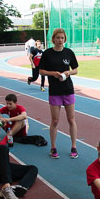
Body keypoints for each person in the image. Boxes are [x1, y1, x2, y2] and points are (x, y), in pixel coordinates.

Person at [39, 28, 79, 159]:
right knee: (55, 121)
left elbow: (76, 69)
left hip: (68, 89)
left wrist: (68, 72)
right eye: (58, 38)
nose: (60, 40)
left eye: (62, 38)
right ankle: (53, 147)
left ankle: (74, 146)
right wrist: (53, 74)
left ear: (64, 39)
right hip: (55, 91)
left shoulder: (69, 52)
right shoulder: (47, 53)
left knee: (71, 119)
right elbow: (41, 71)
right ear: (53, 39)